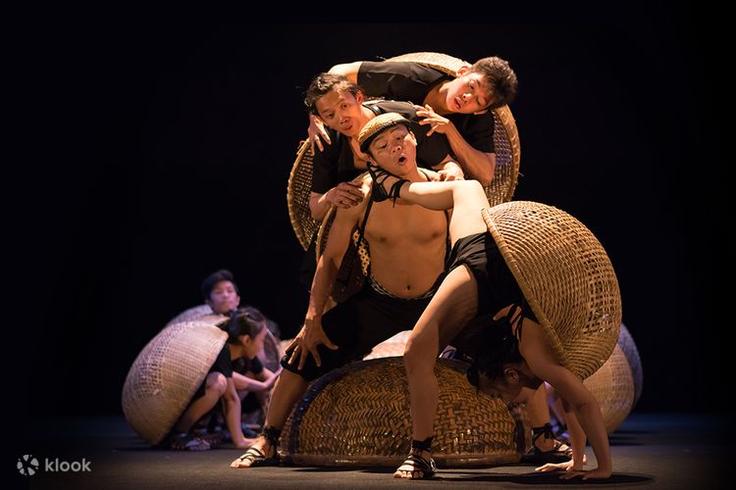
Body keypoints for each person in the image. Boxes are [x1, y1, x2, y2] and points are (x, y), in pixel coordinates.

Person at [357, 113, 617, 480]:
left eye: (498, 396)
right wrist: (592, 465)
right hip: (486, 262)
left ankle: (420, 453)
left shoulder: (537, 359)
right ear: (510, 372)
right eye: (500, 396)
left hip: (482, 265)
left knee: (418, 346)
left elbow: (577, 403)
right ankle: (395, 187)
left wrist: (590, 464)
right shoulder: (538, 360)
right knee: (466, 189)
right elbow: (578, 403)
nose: (506, 403)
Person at [230, 106, 453, 469]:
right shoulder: (359, 197)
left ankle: (542, 434)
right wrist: (312, 316)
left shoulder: (443, 187)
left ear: (413, 141)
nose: (396, 147)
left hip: (438, 298)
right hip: (382, 299)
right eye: (383, 145)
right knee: (304, 353)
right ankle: (267, 438)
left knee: (511, 342)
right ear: (370, 157)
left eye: (400, 138)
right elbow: (330, 259)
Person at [307, 56, 518, 186]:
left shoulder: (479, 122)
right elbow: (338, 73)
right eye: (470, 86)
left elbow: (486, 175)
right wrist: (314, 115)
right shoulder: (413, 78)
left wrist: (450, 131)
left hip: (426, 176)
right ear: (463, 73)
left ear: (482, 110)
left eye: (479, 101)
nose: (468, 97)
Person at [304, 73, 463, 222]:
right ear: (321, 119)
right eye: (330, 115)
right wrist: (330, 197)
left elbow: (447, 164)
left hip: (423, 209)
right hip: (369, 224)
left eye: (344, 106)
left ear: (359, 97)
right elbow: (315, 210)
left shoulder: (405, 118)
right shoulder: (326, 140)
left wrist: (453, 172)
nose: (341, 118)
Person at [165, 308, 272, 451]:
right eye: (262, 340)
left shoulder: (242, 353)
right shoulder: (222, 350)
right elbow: (231, 399)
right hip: (176, 406)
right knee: (218, 382)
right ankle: (179, 433)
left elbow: (266, 376)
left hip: (201, 409)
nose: (262, 345)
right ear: (246, 340)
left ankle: (216, 428)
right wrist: (240, 441)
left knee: (232, 381)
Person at [199, 270, 282, 436]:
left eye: (229, 291)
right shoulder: (211, 334)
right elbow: (222, 374)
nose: (225, 296)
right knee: (221, 381)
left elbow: (263, 373)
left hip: (236, 388)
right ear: (208, 302)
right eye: (219, 292)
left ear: (238, 298)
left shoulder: (246, 323)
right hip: (212, 385)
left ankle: (266, 423)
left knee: (255, 371)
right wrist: (264, 384)